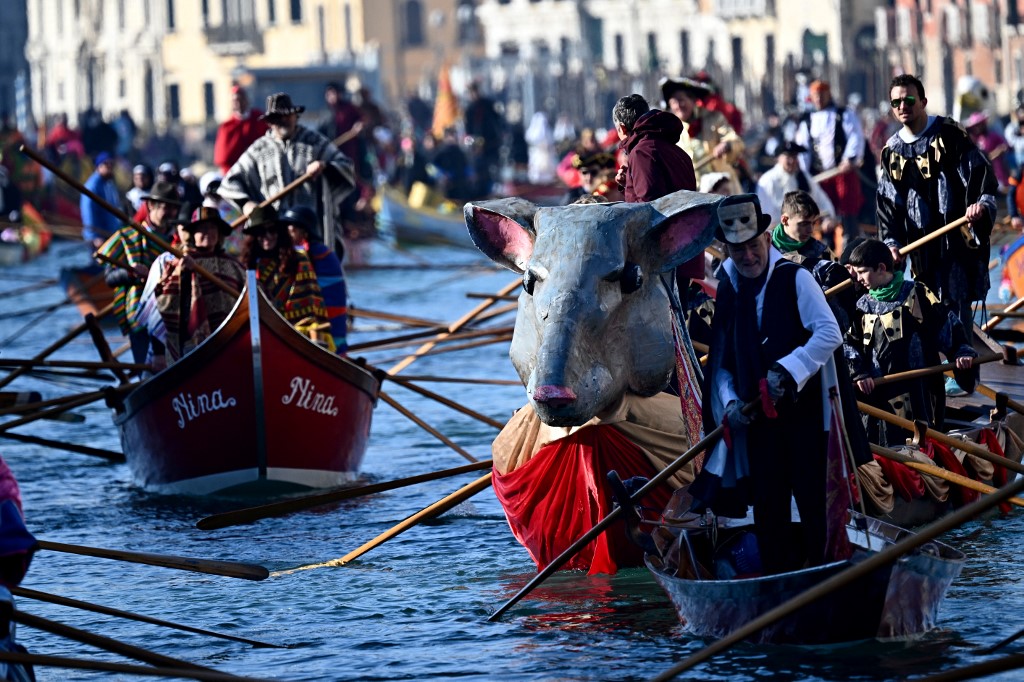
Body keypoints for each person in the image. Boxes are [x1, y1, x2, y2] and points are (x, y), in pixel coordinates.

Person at [692, 193, 844, 575]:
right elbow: (722, 363)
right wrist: (729, 402)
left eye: (753, 246)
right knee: (769, 512)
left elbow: (829, 333)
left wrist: (787, 370)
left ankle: (825, 578)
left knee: (814, 507)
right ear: (727, 249)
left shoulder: (796, 278)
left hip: (805, 420)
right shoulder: (729, 287)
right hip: (757, 425)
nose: (747, 256)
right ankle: (778, 583)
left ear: (766, 237)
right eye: (737, 249)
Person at [876, 74, 997, 343]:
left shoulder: (950, 133)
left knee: (958, 304)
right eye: (896, 102)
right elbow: (888, 206)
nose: (902, 106)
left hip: (957, 238)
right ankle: (939, 363)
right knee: (927, 308)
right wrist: (892, 243)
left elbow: (979, 173)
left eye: (909, 100)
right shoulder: (891, 152)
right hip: (921, 247)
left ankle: (965, 359)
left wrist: (979, 205)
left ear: (923, 102)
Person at [845, 239, 977, 444]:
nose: (857, 278)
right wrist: (859, 373)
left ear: (881, 268)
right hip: (878, 393)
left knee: (921, 441)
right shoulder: (862, 306)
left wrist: (962, 352)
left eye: (862, 272)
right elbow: (850, 345)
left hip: (919, 391)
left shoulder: (918, 294)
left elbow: (948, 326)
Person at [219, 92, 355, 253]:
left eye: (288, 115)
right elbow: (229, 183)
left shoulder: (315, 142)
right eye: (277, 117)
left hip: (311, 231)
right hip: (274, 233)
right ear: (269, 122)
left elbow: (346, 166)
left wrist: (324, 166)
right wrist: (246, 204)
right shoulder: (258, 150)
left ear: (296, 116)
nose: (283, 120)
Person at [139, 202, 245, 368]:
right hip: (191, 342)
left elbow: (250, 297)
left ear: (219, 233)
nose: (208, 233)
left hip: (231, 340)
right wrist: (183, 273)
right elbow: (164, 304)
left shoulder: (234, 265)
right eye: (202, 228)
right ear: (193, 234)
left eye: (212, 228)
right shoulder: (177, 262)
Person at [612, 93, 700, 284]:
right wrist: (629, 183)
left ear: (622, 128)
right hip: (683, 252)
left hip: (662, 260)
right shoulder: (673, 150)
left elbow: (649, 209)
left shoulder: (641, 152)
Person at [95, 179, 182, 363]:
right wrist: (131, 273)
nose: (171, 214)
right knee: (148, 368)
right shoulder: (129, 236)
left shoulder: (179, 241)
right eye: (166, 208)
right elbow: (109, 278)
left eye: (174, 208)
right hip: (139, 316)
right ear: (150, 206)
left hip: (174, 317)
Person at [795, 80, 866, 250]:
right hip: (821, 177)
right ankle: (826, 248)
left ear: (829, 94)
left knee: (847, 209)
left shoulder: (843, 114)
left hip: (842, 172)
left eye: (822, 94)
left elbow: (855, 136)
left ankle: (850, 245)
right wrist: (805, 174)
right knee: (823, 213)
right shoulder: (807, 121)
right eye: (816, 95)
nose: (819, 98)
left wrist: (849, 158)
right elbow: (803, 149)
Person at [241, 204, 329, 331]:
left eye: (272, 230)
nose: (267, 236)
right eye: (261, 232)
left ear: (279, 232)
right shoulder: (248, 265)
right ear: (254, 236)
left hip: (296, 330)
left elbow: (310, 305)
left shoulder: (299, 260)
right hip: (259, 328)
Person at [659, 76, 744, 191]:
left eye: (681, 100)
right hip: (697, 194)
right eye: (673, 102)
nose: (678, 106)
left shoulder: (715, 118)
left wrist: (727, 145)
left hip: (724, 190)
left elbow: (736, 141)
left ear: (693, 100)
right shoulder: (670, 130)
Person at [282, 205, 348, 353]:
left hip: (328, 330)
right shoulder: (317, 251)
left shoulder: (317, 254)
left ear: (304, 232)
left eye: (292, 229)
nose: (287, 233)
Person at [756, 141, 836, 227]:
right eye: (788, 156)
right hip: (779, 231)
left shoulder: (803, 177)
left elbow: (821, 199)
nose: (792, 161)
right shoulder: (767, 181)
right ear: (778, 158)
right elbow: (766, 215)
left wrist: (828, 218)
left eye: (794, 156)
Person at [213, 86, 269, 175]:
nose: (238, 103)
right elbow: (223, 159)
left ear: (246, 99)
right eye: (234, 100)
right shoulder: (227, 127)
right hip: (237, 173)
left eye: (240, 99)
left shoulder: (259, 119)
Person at [80, 152, 124, 248]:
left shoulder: (109, 184)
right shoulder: (92, 186)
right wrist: (93, 236)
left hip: (111, 234)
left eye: (111, 164)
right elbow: (88, 212)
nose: (110, 167)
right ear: (98, 166)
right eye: (106, 164)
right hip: (99, 238)